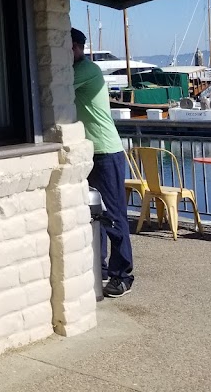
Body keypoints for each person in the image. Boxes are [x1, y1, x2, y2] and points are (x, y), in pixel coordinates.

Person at [72, 27, 134, 297]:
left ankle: (123, 276)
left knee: (112, 213)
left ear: (75, 48)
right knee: (92, 213)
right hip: (89, 152)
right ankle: (100, 268)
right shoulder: (78, 70)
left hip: (106, 152)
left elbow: (52, 85)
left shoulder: (86, 70)